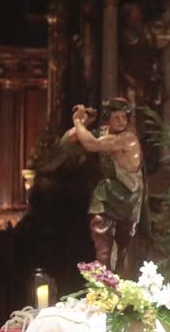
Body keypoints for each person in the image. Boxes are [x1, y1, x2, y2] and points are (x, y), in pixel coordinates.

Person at [61, 98, 147, 272]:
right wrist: (83, 124)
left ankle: (118, 281)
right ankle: (103, 278)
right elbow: (65, 144)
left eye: (124, 117)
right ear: (108, 118)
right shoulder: (104, 133)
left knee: (125, 247)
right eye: (117, 117)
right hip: (109, 194)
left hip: (128, 196)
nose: (122, 122)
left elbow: (92, 144)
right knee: (103, 241)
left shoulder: (128, 138)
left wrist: (78, 122)